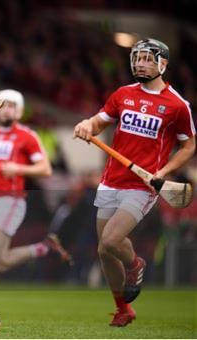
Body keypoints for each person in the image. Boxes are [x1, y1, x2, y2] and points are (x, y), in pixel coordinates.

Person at [73, 38, 195, 327]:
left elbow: (189, 146)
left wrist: (163, 172)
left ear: (162, 64)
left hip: (142, 186)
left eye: (146, 59)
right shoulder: (123, 94)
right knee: (104, 250)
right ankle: (123, 308)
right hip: (111, 180)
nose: (140, 63)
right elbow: (100, 121)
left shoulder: (178, 106)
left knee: (113, 239)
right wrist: (86, 125)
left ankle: (135, 263)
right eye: (137, 58)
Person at [0, 89, 72, 314]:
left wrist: (17, 168)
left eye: (12, 105)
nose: (7, 109)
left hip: (11, 199)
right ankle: (43, 248)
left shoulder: (27, 135)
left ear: (19, 110)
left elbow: (45, 169)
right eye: (3, 104)